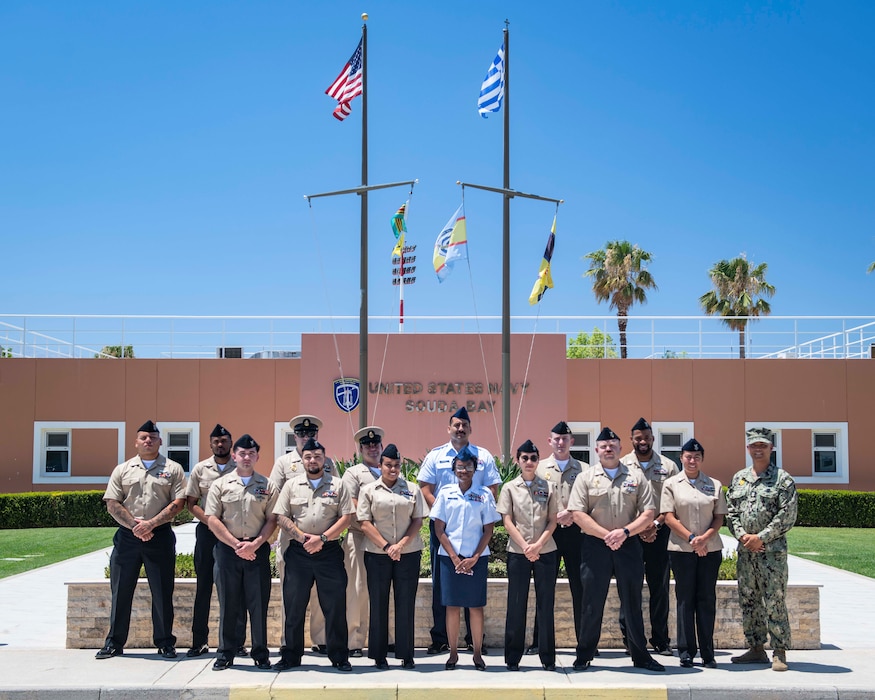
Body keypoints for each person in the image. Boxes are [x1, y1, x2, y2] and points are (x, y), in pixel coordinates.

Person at [567, 427, 664, 672]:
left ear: (620, 449)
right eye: (603, 445)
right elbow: (577, 513)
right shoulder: (585, 478)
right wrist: (606, 535)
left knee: (632, 601)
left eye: (613, 444)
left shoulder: (636, 477)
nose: (608, 448)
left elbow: (649, 513)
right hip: (595, 546)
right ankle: (584, 654)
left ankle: (640, 655)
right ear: (597, 450)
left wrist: (625, 533)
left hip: (628, 545)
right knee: (591, 602)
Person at [96, 420, 186, 660]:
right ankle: (114, 642)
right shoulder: (122, 469)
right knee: (121, 591)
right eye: (143, 438)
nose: (148, 441)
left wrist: (151, 524)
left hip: (160, 537)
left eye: (152, 437)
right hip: (127, 538)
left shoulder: (173, 469)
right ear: (136, 442)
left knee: (163, 591)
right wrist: (136, 526)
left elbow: (178, 503)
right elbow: (112, 503)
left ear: (160, 441)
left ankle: (165, 642)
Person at [418, 406, 501, 655]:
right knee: (443, 584)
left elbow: (492, 490)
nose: (460, 428)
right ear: (449, 428)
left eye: (465, 425)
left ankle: (473, 640)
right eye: (456, 424)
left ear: (470, 428)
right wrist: (445, 513)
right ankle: (441, 638)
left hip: (475, 530)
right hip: (443, 529)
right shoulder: (435, 456)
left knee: (472, 584)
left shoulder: (483, 456)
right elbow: (425, 488)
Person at [272, 438, 354, 672]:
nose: (312, 460)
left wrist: (323, 539)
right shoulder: (291, 485)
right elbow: (281, 515)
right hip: (298, 552)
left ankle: (339, 656)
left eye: (317, 456)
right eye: (308, 457)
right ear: (302, 460)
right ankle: (291, 656)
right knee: (294, 607)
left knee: (335, 607)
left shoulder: (338, 485)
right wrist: (300, 536)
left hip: (328, 552)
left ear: (324, 459)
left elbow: (346, 517)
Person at [726, 427, 798, 672]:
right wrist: (743, 535)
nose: (758, 449)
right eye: (753, 445)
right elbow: (732, 512)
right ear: (748, 448)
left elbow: (787, 514)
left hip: (772, 553)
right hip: (746, 552)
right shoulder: (739, 478)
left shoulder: (783, 479)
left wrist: (762, 537)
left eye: (763, 445)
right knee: (749, 600)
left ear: (771, 448)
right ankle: (756, 648)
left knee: (775, 601)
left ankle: (779, 651)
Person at [204, 434, 278, 671]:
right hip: (228, 551)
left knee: (258, 605)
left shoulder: (267, 485)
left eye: (251, 453)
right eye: (242, 453)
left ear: (257, 456)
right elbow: (212, 518)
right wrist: (235, 545)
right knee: (228, 604)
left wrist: (255, 544)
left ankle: (260, 653)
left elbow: (272, 519)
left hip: (257, 551)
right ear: (234, 456)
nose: (246, 457)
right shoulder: (220, 485)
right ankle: (226, 653)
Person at [267, 414, 335, 655]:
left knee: (320, 593)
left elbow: (334, 496)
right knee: (292, 593)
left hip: (322, 541)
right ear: (295, 436)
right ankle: (289, 641)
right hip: (292, 540)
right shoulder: (283, 463)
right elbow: (274, 497)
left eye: (311, 434)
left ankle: (320, 639)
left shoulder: (327, 461)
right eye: (302, 434)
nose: (307, 437)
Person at [429, 446, 500, 672]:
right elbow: (439, 529)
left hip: (476, 559)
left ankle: (477, 654)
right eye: (460, 467)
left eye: (468, 467)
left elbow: (488, 530)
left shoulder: (484, 494)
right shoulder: (445, 493)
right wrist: (454, 557)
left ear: (474, 468)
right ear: (454, 469)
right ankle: (452, 654)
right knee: (452, 607)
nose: (464, 471)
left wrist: (475, 557)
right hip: (449, 559)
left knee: (475, 606)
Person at [357, 443, 426, 670]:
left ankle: (406, 654)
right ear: (380, 466)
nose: (393, 469)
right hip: (378, 554)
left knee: (405, 603)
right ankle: (379, 655)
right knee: (378, 604)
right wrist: (388, 547)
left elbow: (417, 519)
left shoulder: (412, 489)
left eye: (396, 465)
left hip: (408, 553)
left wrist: (401, 544)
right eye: (388, 465)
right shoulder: (368, 490)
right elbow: (365, 523)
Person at [661, 438, 727, 669]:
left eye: (697, 457)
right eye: (688, 456)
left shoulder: (714, 484)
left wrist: (704, 539)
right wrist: (692, 539)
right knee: (685, 600)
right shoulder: (671, 484)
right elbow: (668, 516)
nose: (692, 460)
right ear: (681, 458)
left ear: (702, 459)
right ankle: (686, 651)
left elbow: (719, 517)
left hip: (710, 549)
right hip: (681, 549)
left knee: (707, 599)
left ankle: (708, 653)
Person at [184, 424, 247, 658]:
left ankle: (237, 643)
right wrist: (211, 522)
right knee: (204, 588)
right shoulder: (200, 469)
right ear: (210, 444)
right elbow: (191, 503)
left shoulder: (240, 467)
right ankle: (199, 641)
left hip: (233, 536)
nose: (220, 444)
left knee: (236, 590)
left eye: (224, 441)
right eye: (216, 441)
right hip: (207, 534)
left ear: (231, 444)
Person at [619, 417, 679, 657]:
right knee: (629, 588)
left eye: (646, 437)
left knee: (659, 587)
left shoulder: (668, 466)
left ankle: (661, 640)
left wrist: (653, 525)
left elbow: (671, 503)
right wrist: (637, 528)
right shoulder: (622, 465)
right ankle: (630, 640)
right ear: (631, 440)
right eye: (638, 438)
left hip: (660, 533)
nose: (642, 441)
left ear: (653, 439)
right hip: (630, 534)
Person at [498, 440, 558, 672]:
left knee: (546, 605)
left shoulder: (548, 487)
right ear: (518, 460)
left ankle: (548, 658)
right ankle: (513, 658)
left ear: (538, 460)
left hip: (546, 552)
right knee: (516, 604)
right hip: (518, 552)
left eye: (534, 458)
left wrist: (538, 545)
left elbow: (553, 520)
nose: (530, 462)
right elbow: (506, 520)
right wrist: (525, 546)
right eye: (525, 458)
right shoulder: (510, 488)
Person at [529, 420, 587, 655]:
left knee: (581, 589)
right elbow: (532, 501)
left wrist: (572, 513)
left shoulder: (585, 470)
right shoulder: (539, 468)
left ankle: (585, 642)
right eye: (557, 439)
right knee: (544, 589)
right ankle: (538, 641)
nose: (561, 442)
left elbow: (590, 500)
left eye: (565, 439)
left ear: (572, 442)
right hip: (548, 533)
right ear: (549, 441)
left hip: (576, 533)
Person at [340, 425, 386, 658]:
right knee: (357, 589)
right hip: (359, 535)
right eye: (367, 445)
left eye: (376, 444)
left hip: (389, 540)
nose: (372, 448)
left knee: (385, 590)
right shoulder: (354, 473)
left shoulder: (390, 470)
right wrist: (374, 524)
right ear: (360, 449)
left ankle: (385, 638)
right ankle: (354, 641)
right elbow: (352, 503)